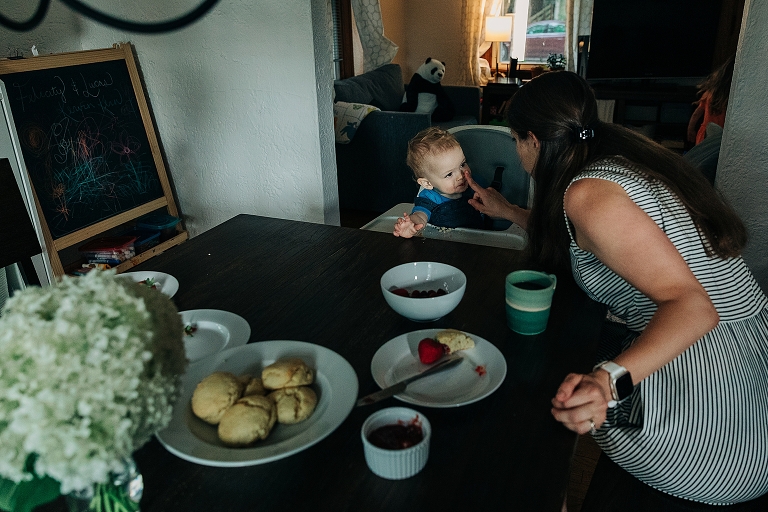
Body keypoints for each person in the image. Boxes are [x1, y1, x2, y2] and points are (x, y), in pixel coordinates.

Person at [466, 71, 768, 505]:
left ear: (533, 139)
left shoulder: (588, 194)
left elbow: (693, 307)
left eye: (515, 141)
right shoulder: (612, 158)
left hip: (709, 403)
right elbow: (600, 240)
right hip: (746, 359)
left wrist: (607, 382)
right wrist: (510, 211)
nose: (517, 153)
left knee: (529, 399)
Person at [393, 127, 484, 238]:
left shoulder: (476, 185)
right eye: (449, 174)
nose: (461, 176)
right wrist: (412, 223)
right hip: (442, 243)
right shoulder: (429, 198)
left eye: (462, 164)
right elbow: (420, 216)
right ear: (427, 183)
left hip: (477, 239)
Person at [687, 55, 735, 145]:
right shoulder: (733, 97)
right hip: (722, 135)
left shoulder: (709, 93)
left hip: (705, 133)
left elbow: (696, 115)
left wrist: (691, 130)